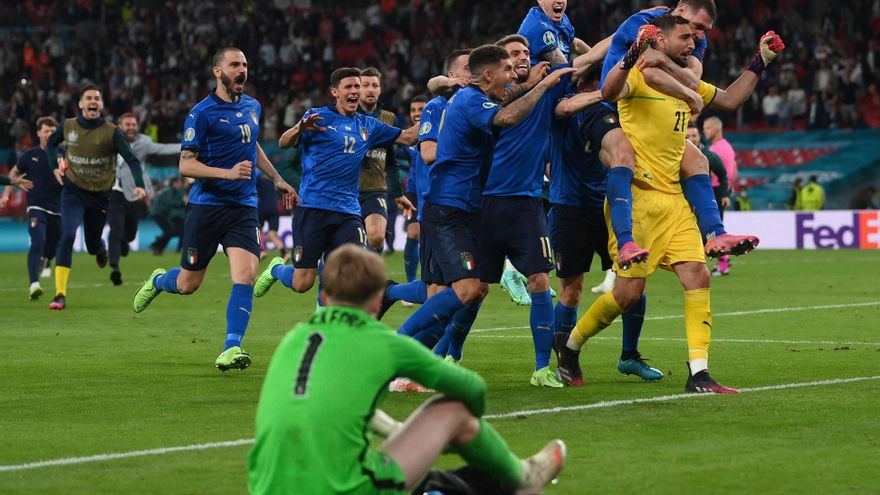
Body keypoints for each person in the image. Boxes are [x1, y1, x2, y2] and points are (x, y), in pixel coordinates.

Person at [555, 16, 785, 393]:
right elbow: (610, 90)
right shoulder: (639, 76)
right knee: (627, 295)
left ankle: (699, 373)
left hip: (674, 201)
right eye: (685, 37)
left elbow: (731, 99)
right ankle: (570, 345)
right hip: (638, 200)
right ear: (660, 40)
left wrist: (759, 63)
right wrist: (631, 55)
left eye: (694, 37)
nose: (693, 43)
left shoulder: (683, 80)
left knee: (698, 276)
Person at [247, 245, 566, 495]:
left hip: (264, 487)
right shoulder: (382, 343)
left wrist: (394, 430)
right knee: (453, 412)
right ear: (377, 301)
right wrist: (447, 438)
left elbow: (325, 403)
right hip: (344, 488)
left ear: (325, 296)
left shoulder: (294, 339)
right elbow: (473, 389)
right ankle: (524, 477)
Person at [395, 44, 573, 362]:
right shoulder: (470, 100)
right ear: (488, 75)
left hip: (467, 210)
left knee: (471, 289)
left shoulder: (477, 97)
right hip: (447, 209)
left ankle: (416, 355)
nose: (512, 75)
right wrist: (543, 85)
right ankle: (399, 342)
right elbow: (507, 116)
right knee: (459, 290)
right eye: (507, 69)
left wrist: (531, 83)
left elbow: (505, 97)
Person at [132, 47, 296, 371]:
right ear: (218, 72)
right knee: (188, 284)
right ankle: (159, 281)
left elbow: (252, 145)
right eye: (235, 64)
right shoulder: (201, 113)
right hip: (207, 207)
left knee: (245, 275)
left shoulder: (253, 106)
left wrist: (276, 177)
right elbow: (185, 164)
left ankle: (231, 348)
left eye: (245, 64)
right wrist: (227, 173)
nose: (242, 69)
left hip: (243, 206)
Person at [577, 0, 760, 271]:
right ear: (682, 9)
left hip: (645, 112)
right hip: (608, 107)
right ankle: (626, 241)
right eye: (696, 27)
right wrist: (688, 94)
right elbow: (649, 71)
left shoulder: (692, 38)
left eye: (703, 31)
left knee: (698, 161)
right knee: (623, 155)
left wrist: (759, 62)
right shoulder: (644, 23)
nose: (698, 37)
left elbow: (693, 77)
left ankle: (715, 233)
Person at [253, 67, 418, 299]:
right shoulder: (317, 117)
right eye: (349, 87)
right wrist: (300, 128)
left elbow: (409, 137)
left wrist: (439, 108)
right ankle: (276, 270)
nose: (355, 91)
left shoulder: (368, 125)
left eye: (357, 86)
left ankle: (337, 316)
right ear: (335, 92)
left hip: (348, 212)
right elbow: (283, 142)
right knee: (302, 283)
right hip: (314, 209)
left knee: (352, 277)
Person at [550, 75, 664, 382]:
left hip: (611, 205)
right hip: (569, 207)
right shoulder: (562, 103)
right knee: (571, 290)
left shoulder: (618, 106)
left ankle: (629, 355)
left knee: (634, 280)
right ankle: (564, 359)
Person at [47, 83, 148, 310]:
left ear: (101, 105)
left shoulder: (111, 132)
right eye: (89, 98)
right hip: (73, 191)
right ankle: (60, 294)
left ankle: (100, 249)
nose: (93, 101)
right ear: (81, 104)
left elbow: (132, 159)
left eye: (97, 98)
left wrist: (140, 185)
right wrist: (54, 166)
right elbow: (51, 144)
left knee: (92, 245)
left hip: (100, 196)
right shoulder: (68, 126)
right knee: (68, 234)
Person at [107, 112, 181, 285]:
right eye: (127, 124)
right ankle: (115, 268)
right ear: (120, 126)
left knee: (130, 234)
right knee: (115, 229)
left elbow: (163, 149)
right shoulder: (109, 140)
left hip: (134, 193)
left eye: (133, 124)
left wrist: (188, 145)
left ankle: (125, 242)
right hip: (112, 192)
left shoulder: (144, 142)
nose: (131, 127)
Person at [0, 116, 58, 300]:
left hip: (58, 209)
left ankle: (46, 259)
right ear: (39, 133)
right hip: (36, 207)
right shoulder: (30, 155)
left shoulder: (64, 154)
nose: (49, 134)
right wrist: (6, 194)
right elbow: (14, 172)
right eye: (46, 131)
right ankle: (34, 284)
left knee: (53, 246)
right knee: (38, 241)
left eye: (52, 131)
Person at [358, 67, 414, 253]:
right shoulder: (348, 116)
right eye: (365, 85)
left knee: (375, 237)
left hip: (375, 189)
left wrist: (398, 193)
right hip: (348, 189)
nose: (370, 90)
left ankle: (368, 268)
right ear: (357, 89)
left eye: (374, 85)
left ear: (380, 89)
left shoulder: (389, 118)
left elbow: (390, 159)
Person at [702, 116, 737, 276]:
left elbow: (721, 173)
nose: (705, 131)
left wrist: (722, 192)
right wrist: (728, 191)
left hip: (715, 190)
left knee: (713, 231)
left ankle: (723, 264)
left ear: (717, 128)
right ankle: (723, 262)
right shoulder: (728, 147)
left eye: (708, 127)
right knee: (716, 229)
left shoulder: (714, 150)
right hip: (723, 191)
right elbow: (733, 170)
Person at [401, 95, 427, 290]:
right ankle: (411, 282)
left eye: (421, 109)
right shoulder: (406, 138)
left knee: (430, 236)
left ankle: (430, 280)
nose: (417, 113)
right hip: (413, 192)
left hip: (434, 191)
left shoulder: (438, 130)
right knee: (413, 232)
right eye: (413, 110)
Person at [517, 0, 591, 66]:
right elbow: (564, 70)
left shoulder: (562, 18)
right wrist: (593, 58)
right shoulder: (539, 27)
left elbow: (575, 45)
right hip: (540, 77)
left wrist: (596, 56)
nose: (560, 1)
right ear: (540, 1)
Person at [149, 177, 187, 254]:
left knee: (170, 231)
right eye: (179, 183)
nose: (180, 185)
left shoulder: (171, 191)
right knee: (170, 231)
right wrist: (182, 201)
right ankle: (155, 245)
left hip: (161, 213)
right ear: (174, 183)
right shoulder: (169, 191)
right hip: (159, 213)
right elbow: (170, 202)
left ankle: (158, 248)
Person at [256, 169, 286, 259]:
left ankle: (262, 251)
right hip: (274, 207)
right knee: (272, 234)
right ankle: (285, 253)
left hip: (263, 206)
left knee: (257, 230)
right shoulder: (272, 178)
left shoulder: (257, 178)